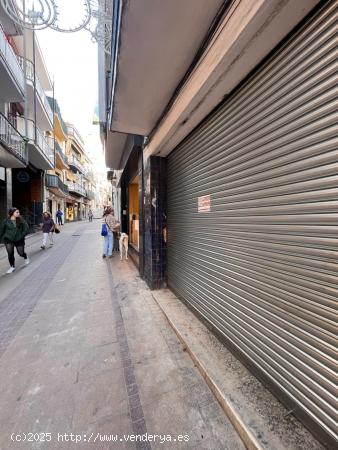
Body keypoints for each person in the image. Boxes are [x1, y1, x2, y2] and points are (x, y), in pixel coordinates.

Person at [0, 207, 30, 273]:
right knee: (10, 253)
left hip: (19, 239)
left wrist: (21, 236)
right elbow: (1, 230)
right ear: (12, 213)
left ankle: (25, 256)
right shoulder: (6, 221)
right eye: (17, 212)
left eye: (18, 212)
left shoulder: (21, 220)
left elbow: (26, 229)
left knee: (21, 253)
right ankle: (12, 267)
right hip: (9, 239)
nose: (18, 213)